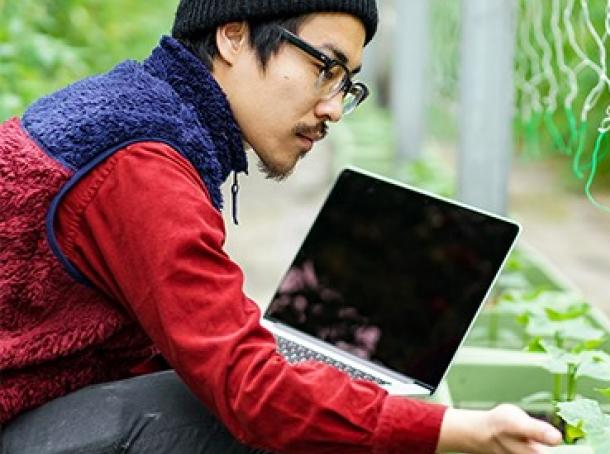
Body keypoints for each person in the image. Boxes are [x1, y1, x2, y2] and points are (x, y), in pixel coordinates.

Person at [0, 1, 562, 452]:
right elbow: (250, 393)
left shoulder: (136, 114)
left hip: (34, 403)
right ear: (233, 36)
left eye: (347, 84)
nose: (334, 107)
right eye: (325, 68)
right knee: (266, 418)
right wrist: (449, 433)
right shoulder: (143, 166)